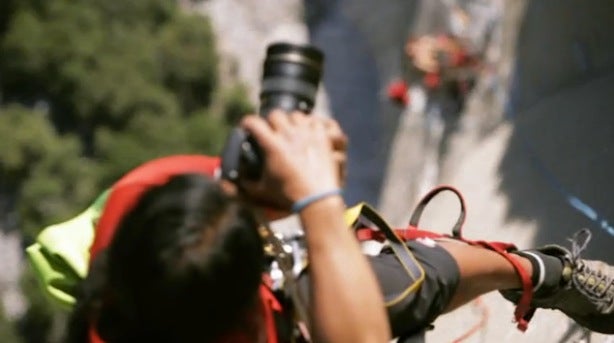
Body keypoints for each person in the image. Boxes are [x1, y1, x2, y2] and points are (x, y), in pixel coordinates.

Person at [26, 112, 614, 343]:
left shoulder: (152, 195)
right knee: (398, 292)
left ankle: (544, 274)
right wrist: (318, 199)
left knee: (415, 274)